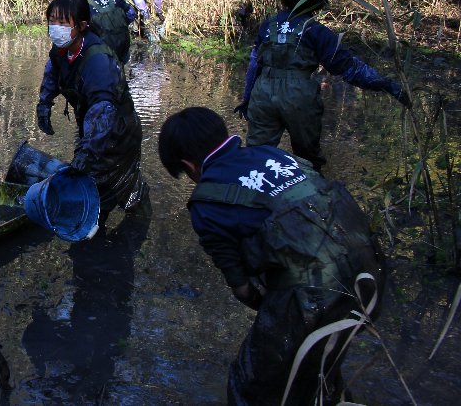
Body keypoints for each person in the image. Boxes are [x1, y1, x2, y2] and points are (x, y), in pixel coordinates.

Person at [158, 106, 384, 405]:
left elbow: (242, 289)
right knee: (320, 369)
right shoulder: (275, 155)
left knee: (249, 385)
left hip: (316, 297)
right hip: (372, 273)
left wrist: (272, 308)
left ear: (189, 166)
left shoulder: (206, 202)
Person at [235, 0, 410, 170]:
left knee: (257, 157)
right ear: (316, 3)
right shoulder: (316, 31)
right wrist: (387, 85)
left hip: (262, 92)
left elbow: (253, 63)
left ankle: (252, 195)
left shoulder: (269, 24)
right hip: (298, 95)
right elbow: (350, 68)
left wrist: (247, 97)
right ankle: (310, 196)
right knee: (308, 159)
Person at [36, 0, 145, 223]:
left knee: (115, 190)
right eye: (52, 21)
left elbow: (103, 111)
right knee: (92, 186)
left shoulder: (98, 61)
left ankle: (134, 226)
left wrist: (87, 153)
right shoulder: (61, 49)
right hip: (92, 128)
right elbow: (53, 72)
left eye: (63, 23)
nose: (56, 28)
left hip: (118, 133)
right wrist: (44, 103)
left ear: (82, 25)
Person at [80, 0, 136, 65]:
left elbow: (80, 29)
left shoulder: (83, 3)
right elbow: (132, 13)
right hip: (123, 46)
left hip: (101, 51)